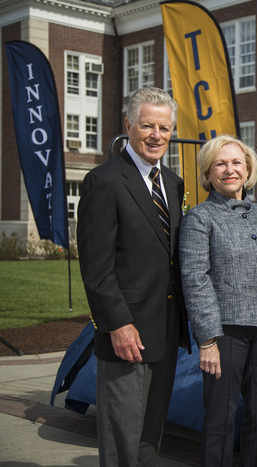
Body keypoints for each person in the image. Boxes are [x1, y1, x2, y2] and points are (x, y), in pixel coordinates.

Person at [77, 86, 191, 466]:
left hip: (164, 330)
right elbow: (96, 267)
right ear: (128, 125)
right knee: (121, 439)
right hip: (127, 333)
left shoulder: (173, 184)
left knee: (148, 438)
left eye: (164, 127)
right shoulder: (104, 181)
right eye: (147, 126)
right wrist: (118, 324)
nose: (156, 135)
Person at [179, 135, 257, 467]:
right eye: (220, 164)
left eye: (236, 162)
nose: (230, 170)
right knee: (220, 419)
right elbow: (194, 280)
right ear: (208, 173)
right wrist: (208, 339)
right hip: (225, 333)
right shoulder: (200, 218)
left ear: (248, 169)